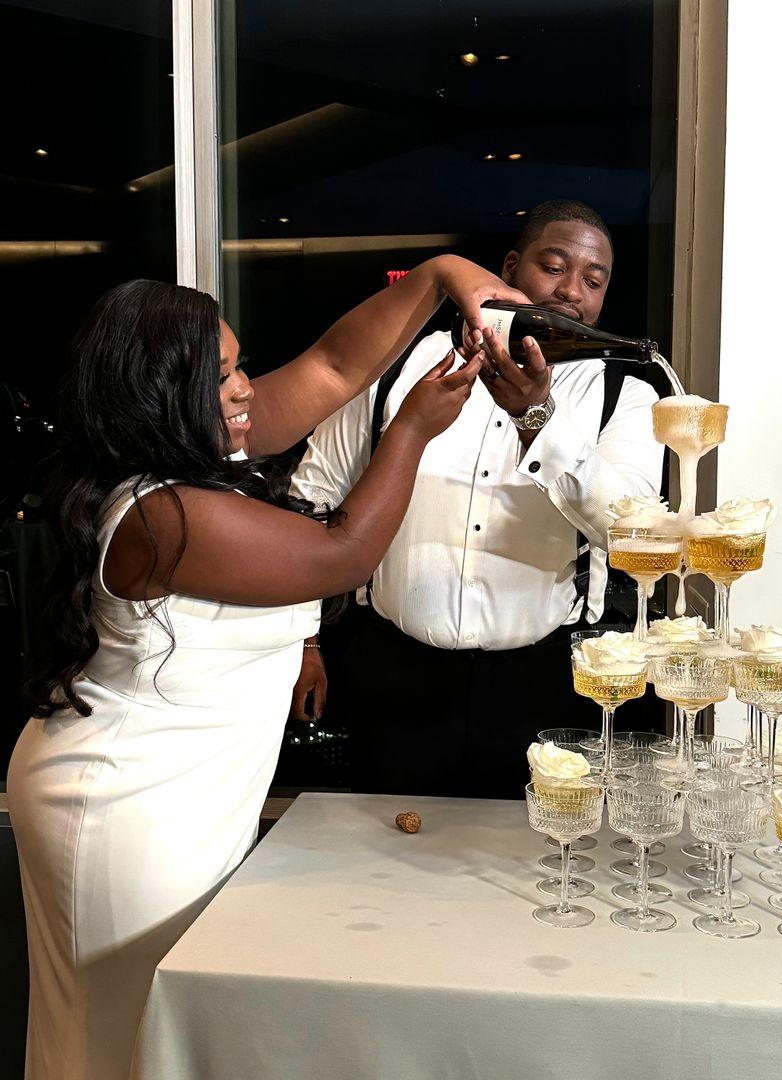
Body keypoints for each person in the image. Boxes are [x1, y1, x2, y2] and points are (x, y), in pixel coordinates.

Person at [7, 257, 527, 1080]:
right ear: (159, 394)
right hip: (126, 804)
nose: (247, 388)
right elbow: (341, 554)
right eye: (222, 375)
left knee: (149, 1035)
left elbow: (333, 366)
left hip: (178, 790)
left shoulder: (190, 458)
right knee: (113, 1038)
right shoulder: (161, 513)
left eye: (242, 362)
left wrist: (438, 277)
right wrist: (409, 434)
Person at [291, 200, 665, 798]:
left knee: (524, 867)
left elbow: (630, 532)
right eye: (554, 266)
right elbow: (312, 499)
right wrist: (305, 643)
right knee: (381, 861)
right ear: (511, 267)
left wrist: (540, 421)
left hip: (540, 684)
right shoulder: (396, 365)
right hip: (392, 673)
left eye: (593, 281)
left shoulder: (625, 394)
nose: (571, 292)